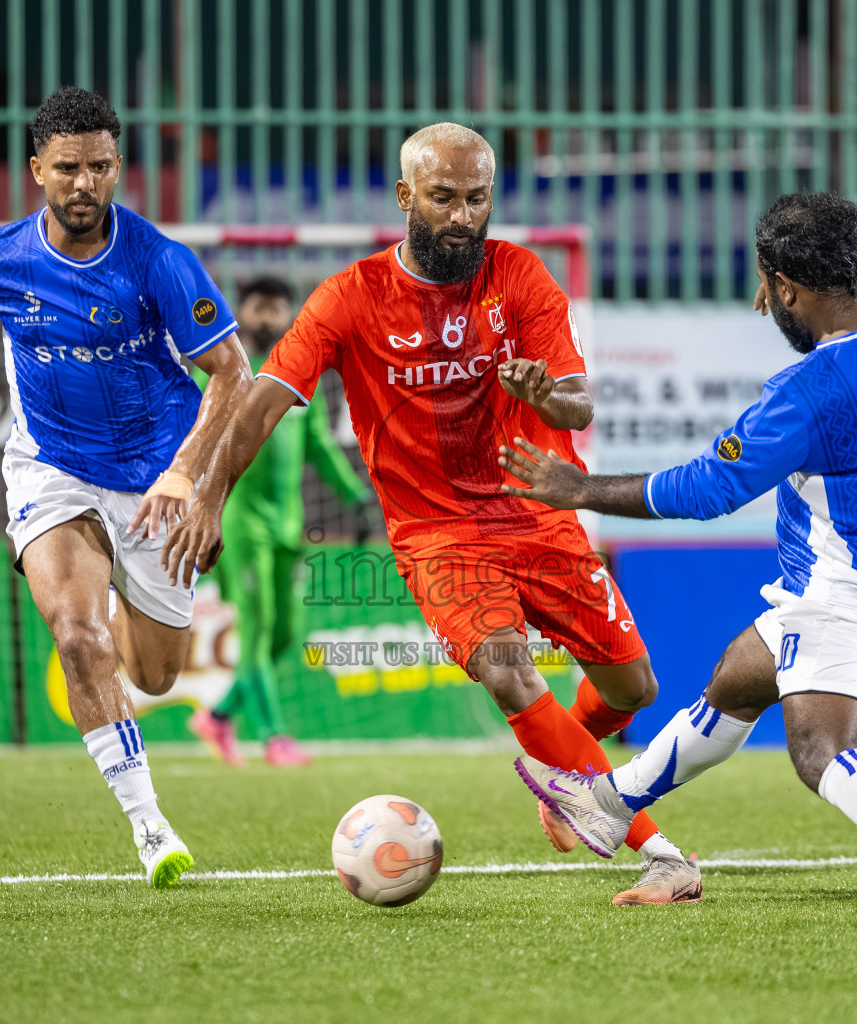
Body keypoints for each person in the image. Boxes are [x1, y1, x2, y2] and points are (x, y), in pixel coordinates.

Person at [163, 122, 700, 906]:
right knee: (511, 674)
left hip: (536, 514)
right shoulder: (350, 298)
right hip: (437, 535)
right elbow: (263, 401)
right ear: (405, 197)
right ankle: (659, 852)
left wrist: (546, 395)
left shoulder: (520, 277)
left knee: (634, 689)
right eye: (443, 197)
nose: (461, 215)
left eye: (477, 198)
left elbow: (579, 399)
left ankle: (564, 779)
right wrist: (206, 495)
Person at [506, 193, 857, 926]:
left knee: (821, 754)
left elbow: (707, 487)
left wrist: (579, 487)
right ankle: (608, 805)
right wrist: (840, 260)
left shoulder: (811, 394)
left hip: (846, 600)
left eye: (771, 279)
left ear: (785, 287)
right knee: (739, 678)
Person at [0, 87, 252, 889]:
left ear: (118, 169)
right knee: (75, 632)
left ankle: (114, 611)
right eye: (67, 168)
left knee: (158, 675)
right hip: (52, 469)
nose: (84, 184)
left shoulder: (160, 261)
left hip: (156, 482)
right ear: (38, 170)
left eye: (100, 167)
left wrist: (184, 471)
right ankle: (150, 826)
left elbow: (232, 371)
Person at [188, 276, 372, 766]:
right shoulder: (220, 375)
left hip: (289, 525)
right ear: (241, 313)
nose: (267, 317)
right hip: (240, 524)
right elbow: (191, 444)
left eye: (276, 308)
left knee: (286, 632)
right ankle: (274, 738)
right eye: (258, 307)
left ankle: (219, 715)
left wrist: (357, 497)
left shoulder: (300, 377)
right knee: (257, 626)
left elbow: (321, 448)